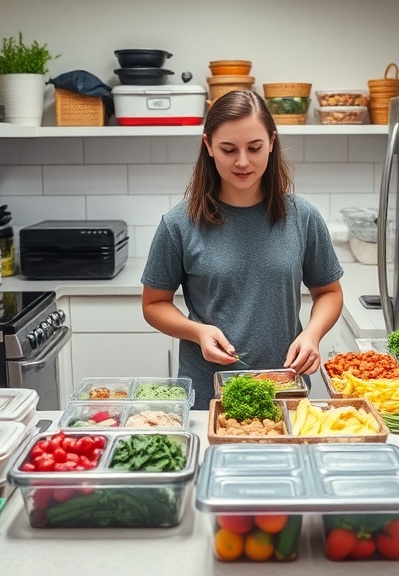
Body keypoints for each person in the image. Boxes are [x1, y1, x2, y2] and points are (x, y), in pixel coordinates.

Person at [141, 90, 345, 410]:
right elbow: (154, 304)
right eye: (228, 149)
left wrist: (312, 335)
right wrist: (197, 332)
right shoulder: (179, 223)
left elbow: (329, 292)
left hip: (285, 389)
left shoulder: (303, 217)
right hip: (209, 395)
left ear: (272, 142)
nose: (242, 161)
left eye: (254, 148)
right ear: (208, 146)